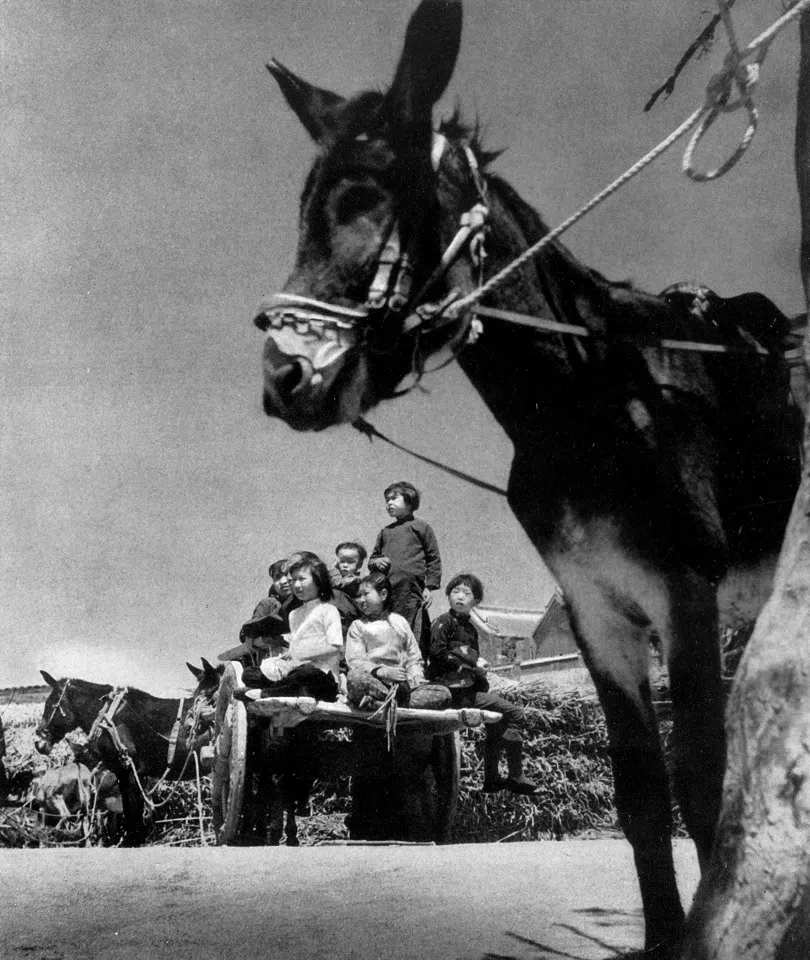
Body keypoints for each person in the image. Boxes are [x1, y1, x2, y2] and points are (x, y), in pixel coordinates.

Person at [428, 573, 537, 796]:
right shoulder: (443, 622)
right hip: (451, 691)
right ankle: (515, 774)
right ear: (448, 596)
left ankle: (492, 779)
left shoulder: (471, 630)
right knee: (515, 713)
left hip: (468, 690)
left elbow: (472, 662)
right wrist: (472, 664)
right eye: (455, 592)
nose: (460, 597)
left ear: (476, 601)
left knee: (496, 723)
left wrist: (479, 674)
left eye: (466, 593)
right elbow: (437, 654)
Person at [240, 554, 342, 702]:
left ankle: (267, 694)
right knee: (249, 674)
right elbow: (294, 646)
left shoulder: (328, 610)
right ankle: (284, 690)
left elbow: (334, 647)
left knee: (306, 673)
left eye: (302, 579)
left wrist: (300, 654)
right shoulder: (294, 615)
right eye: (293, 580)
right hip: (295, 672)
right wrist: (286, 657)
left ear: (318, 581)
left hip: (321, 675)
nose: (296, 585)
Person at [368, 482, 441, 657]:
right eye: (386, 500)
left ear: (409, 500)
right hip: (388, 590)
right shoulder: (385, 532)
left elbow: (433, 558)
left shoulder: (421, 527)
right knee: (389, 626)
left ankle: (413, 666)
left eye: (394, 498)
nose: (389, 503)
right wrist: (378, 562)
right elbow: (372, 560)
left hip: (411, 590)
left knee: (412, 628)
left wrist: (429, 587)